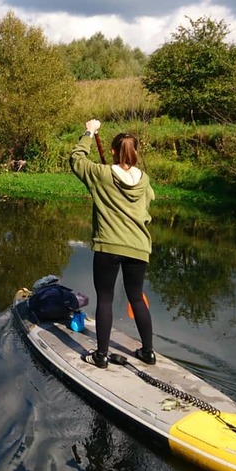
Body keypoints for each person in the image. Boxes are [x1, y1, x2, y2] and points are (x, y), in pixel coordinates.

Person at [69, 119, 156, 369]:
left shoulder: (101, 174)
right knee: (136, 297)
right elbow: (148, 202)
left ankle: (101, 356)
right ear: (134, 152)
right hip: (139, 247)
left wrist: (89, 131)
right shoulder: (145, 180)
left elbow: (76, 158)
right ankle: (148, 353)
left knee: (105, 299)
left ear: (114, 152)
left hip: (108, 246)